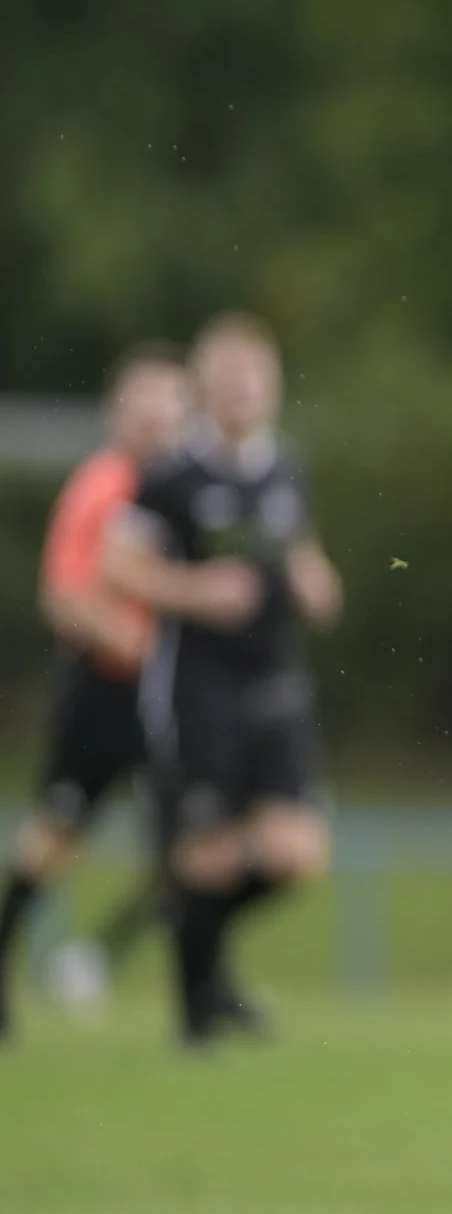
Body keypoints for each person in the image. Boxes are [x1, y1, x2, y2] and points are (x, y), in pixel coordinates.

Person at [104, 314, 342, 1044]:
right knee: (206, 853)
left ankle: (200, 961)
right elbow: (118, 566)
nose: (241, 389)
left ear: (273, 385)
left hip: (274, 684)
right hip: (197, 686)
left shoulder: (284, 469)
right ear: (204, 386)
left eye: (253, 376)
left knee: (296, 853)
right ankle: (197, 1012)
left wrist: (317, 583)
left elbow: (300, 552)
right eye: (228, 376)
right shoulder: (171, 475)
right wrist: (194, 591)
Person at [0, 346, 191, 1039]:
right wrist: (143, 647)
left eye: (169, 400)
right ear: (117, 411)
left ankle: (179, 984)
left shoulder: (187, 489)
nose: (156, 414)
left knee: (191, 844)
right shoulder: (101, 487)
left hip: (173, 698)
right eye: (144, 399)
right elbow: (65, 596)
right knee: (57, 835)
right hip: (104, 693)